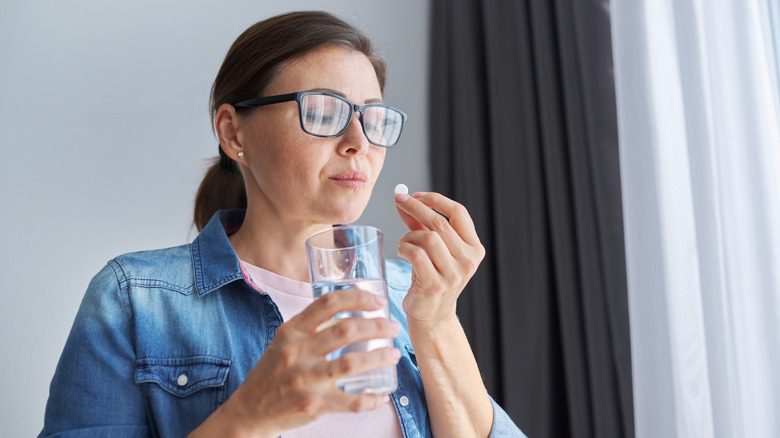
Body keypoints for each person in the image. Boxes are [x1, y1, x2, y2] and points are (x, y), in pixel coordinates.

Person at [39, 10, 525, 438]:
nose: (359, 141)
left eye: (372, 117)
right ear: (233, 132)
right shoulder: (135, 300)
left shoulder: (410, 294)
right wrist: (247, 417)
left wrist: (436, 321)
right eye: (323, 110)